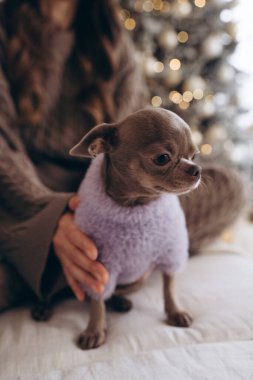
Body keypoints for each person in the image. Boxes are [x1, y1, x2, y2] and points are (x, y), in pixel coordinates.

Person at [0, 0, 244, 312]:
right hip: (26, 196)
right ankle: (78, 263)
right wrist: (52, 221)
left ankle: (57, 267)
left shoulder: (110, 35)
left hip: (108, 194)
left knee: (227, 187)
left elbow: (139, 153)